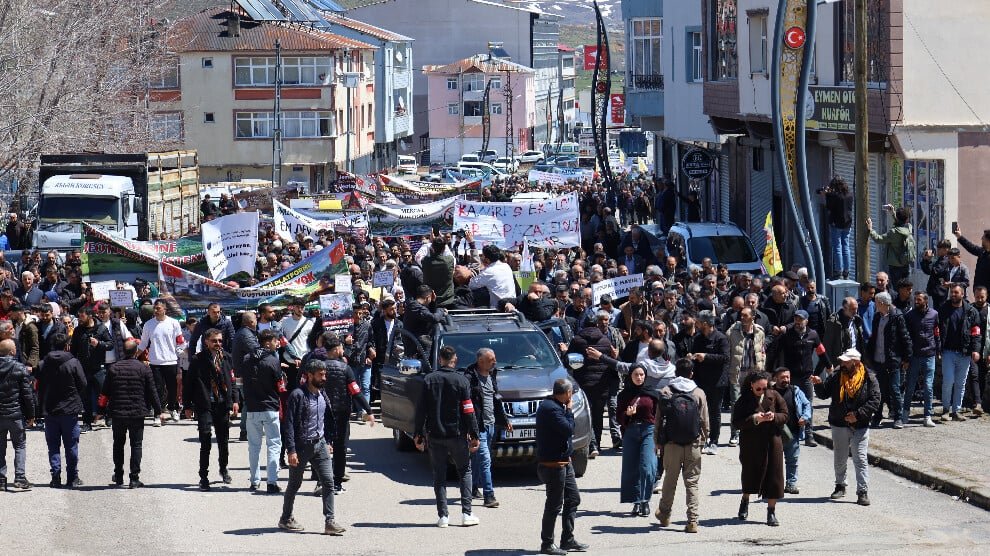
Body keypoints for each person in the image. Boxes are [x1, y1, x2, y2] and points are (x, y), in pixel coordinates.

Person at [414, 346, 480, 528]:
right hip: (457, 435)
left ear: (440, 359)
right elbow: (468, 410)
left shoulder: (429, 380)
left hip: (435, 435)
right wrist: (474, 434)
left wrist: (418, 433)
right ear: (455, 359)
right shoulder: (461, 381)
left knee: (439, 475)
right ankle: (467, 514)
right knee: (465, 471)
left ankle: (443, 516)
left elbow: (421, 410)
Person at [278, 359, 346, 536]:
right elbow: (289, 424)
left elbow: (327, 419)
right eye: (320, 375)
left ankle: (329, 521)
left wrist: (328, 441)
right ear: (309, 376)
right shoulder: (298, 395)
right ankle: (285, 518)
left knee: (329, 482)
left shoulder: (322, 394)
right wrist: (291, 450)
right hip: (301, 447)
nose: (324, 377)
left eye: (325, 374)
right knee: (295, 484)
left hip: (320, 444)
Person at [812, 348, 880, 506]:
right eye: (842, 360)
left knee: (860, 457)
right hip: (839, 422)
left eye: (845, 361)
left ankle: (862, 492)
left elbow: (875, 400)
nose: (842, 363)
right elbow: (823, 394)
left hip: (860, 424)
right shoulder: (837, 375)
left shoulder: (869, 377)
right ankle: (840, 486)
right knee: (840, 457)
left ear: (855, 363)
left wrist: (858, 414)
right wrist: (818, 384)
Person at [96, 339, 167, 488]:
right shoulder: (144, 368)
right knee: (136, 445)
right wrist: (158, 411)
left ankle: (119, 474)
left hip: (118, 412)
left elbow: (105, 393)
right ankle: (134, 478)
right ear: (136, 352)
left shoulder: (114, 368)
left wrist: (100, 411)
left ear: (123, 351)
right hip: (137, 412)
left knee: (118, 444)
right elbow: (152, 391)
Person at [653, 358, 708, 533]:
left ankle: (664, 514)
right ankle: (692, 521)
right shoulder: (698, 393)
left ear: (676, 372)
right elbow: (705, 420)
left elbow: (658, 420)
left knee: (670, 480)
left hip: (671, 444)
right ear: (691, 373)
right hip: (693, 444)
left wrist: (657, 442)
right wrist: (702, 441)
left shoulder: (666, 391)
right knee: (692, 483)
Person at [535, 378, 587, 555]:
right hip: (553, 465)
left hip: (565, 461)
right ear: (567, 393)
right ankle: (547, 543)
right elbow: (568, 429)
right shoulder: (552, 409)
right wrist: (570, 410)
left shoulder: (556, 405)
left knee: (573, 498)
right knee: (554, 505)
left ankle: (567, 539)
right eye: (571, 392)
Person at [318, 333, 374, 494]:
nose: (343, 349)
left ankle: (322, 481)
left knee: (321, 446)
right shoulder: (345, 368)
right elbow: (356, 392)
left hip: (321, 412)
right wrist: (368, 410)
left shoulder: (318, 367)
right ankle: (336, 483)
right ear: (336, 349)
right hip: (341, 413)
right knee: (340, 447)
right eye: (342, 347)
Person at [183, 328, 238, 491]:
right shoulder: (198, 359)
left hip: (222, 404)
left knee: (223, 441)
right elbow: (189, 384)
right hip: (204, 405)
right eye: (214, 341)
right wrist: (187, 406)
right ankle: (203, 476)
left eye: (220, 341)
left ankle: (223, 468)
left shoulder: (226, 358)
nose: (218, 344)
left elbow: (232, 381)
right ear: (206, 342)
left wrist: (235, 400)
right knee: (206, 440)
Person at [731, 371, 787, 526]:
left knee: (774, 476)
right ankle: (745, 500)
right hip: (751, 442)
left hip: (772, 441)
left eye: (765, 387)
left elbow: (785, 414)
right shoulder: (743, 400)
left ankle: (771, 511)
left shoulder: (774, 395)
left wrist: (774, 416)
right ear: (751, 385)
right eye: (759, 389)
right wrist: (754, 419)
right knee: (750, 473)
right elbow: (737, 422)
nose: (763, 391)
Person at [35, 332, 86, 488]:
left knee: (53, 445)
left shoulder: (43, 363)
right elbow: (82, 383)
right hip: (70, 409)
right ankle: (72, 477)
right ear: (67, 345)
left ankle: (55, 477)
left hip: (50, 409)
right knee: (71, 445)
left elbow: (38, 384)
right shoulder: (73, 362)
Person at [463, 347, 510, 508]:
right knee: (485, 460)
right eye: (491, 360)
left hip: (491, 425)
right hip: (478, 426)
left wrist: (504, 420)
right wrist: (469, 428)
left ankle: (474, 487)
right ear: (480, 361)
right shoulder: (470, 378)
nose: (495, 362)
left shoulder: (492, 374)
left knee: (477, 458)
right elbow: (466, 404)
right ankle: (489, 495)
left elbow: (496, 399)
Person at [242, 329, 284, 494]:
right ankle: (272, 481)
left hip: (252, 408)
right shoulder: (273, 361)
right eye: (275, 341)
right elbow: (281, 386)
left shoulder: (246, 359)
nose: (277, 344)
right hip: (270, 408)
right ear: (268, 342)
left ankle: (254, 480)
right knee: (273, 444)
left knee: (253, 446)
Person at [616, 365, 659, 517]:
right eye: (636, 375)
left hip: (649, 430)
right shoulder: (624, 395)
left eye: (641, 375)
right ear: (630, 376)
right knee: (631, 468)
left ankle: (645, 500)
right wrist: (627, 414)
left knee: (647, 466)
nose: (639, 377)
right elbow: (618, 418)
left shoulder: (652, 394)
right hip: (631, 431)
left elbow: (658, 415)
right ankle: (636, 501)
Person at [865, 292, 912, 429]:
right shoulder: (876, 317)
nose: (875, 305)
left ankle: (898, 417)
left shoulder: (897, 316)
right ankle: (877, 416)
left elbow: (905, 338)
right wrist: (868, 355)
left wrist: (906, 358)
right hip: (878, 359)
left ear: (883, 303)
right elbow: (874, 338)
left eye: (877, 303)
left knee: (894, 388)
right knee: (878, 390)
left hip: (892, 359)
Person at [936, 284, 980, 421]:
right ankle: (945, 409)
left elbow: (976, 333)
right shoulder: (943, 309)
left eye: (956, 292)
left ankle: (956, 411)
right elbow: (937, 331)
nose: (953, 294)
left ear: (962, 294)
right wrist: (938, 348)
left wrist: (975, 350)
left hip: (964, 353)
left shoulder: (971, 311)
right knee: (948, 381)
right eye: (952, 292)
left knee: (961, 383)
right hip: (948, 352)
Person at [688, 310, 729, 454]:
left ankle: (714, 440)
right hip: (700, 380)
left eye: (698, 322)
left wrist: (706, 356)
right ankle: (700, 438)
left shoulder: (720, 338)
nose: (696, 324)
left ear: (705, 323)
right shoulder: (698, 338)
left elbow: (724, 358)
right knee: (698, 410)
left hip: (717, 381)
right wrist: (691, 356)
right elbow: (694, 354)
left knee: (714, 411)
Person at [725, 307, 766, 447]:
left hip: (753, 373)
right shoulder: (732, 331)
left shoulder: (759, 331)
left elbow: (762, 351)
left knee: (754, 402)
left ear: (752, 317)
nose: (742, 318)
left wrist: (762, 370)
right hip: (737, 372)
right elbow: (728, 351)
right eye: (741, 315)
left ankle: (752, 428)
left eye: (745, 316)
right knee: (736, 403)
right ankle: (734, 433)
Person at [139, 299, 183, 426]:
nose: (156, 310)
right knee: (157, 389)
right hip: (155, 362)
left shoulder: (174, 323)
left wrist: (185, 353)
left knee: (172, 388)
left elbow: (180, 341)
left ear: (165, 309)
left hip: (171, 361)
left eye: (158, 308)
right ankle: (157, 414)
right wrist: (134, 355)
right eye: (155, 308)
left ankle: (173, 408)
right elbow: (143, 343)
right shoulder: (148, 325)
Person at [0, 339, 36, 490]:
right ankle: (20, 477)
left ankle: (1, 479)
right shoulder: (19, 368)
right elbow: (27, 395)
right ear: (12, 352)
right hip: (15, 414)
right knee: (20, 445)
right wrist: (31, 415)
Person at [771, 367, 811, 494]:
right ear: (775, 378)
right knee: (773, 460)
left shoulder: (795, 391)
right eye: (782, 377)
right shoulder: (769, 392)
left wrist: (805, 417)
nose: (786, 380)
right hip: (773, 433)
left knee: (792, 459)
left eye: (787, 377)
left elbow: (806, 404)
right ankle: (772, 484)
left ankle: (791, 484)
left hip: (792, 432)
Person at [903, 291, 939, 427]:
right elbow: (906, 337)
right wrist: (907, 356)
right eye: (915, 299)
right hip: (915, 356)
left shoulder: (934, 314)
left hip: (930, 355)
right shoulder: (910, 316)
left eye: (919, 300)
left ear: (926, 301)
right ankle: (905, 412)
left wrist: (938, 350)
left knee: (928, 387)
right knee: (910, 386)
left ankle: (927, 416)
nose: (916, 302)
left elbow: (936, 333)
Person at [866, 206, 916, 285]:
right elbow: (900, 224)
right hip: (906, 264)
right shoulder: (909, 228)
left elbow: (878, 239)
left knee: (896, 289)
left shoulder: (893, 233)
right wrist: (893, 213)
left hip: (895, 266)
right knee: (905, 287)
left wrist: (870, 230)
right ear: (907, 219)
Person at [821, 176, 854, 279]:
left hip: (836, 224)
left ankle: (838, 271)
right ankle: (846, 271)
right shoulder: (850, 195)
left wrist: (827, 195)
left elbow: (829, 207)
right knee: (846, 247)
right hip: (847, 223)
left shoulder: (834, 196)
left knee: (837, 247)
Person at [467, 243, 517, 308]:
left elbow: (471, 285)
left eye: (482, 256)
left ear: (487, 259)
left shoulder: (488, 272)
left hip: (497, 311)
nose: (481, 257)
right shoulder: (506, 266)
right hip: (512, 307)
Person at [421, 237, 456, 308]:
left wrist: (431, 245)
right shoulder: (449, 260)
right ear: (444, 248)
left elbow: (424, 256)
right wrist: (443, 242)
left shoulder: (426, 261)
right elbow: (449, 254)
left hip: (430, 300)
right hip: (447, 300)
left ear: (432, 247)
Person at [954, 227, 990, 293]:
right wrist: (959, 236)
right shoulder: (982, 252)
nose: (981, 238)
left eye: (983, 237)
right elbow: (971, 247)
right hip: (979, 292)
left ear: (988, 241)